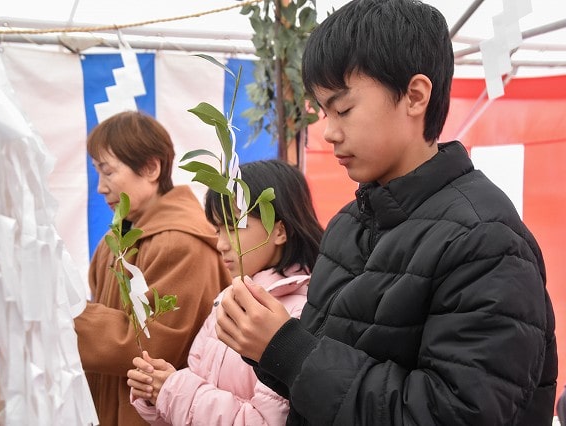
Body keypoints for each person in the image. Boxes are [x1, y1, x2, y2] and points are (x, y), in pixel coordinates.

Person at [215, 1, 558, 425]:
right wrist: (267, 346)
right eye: (323, 111)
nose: (328, 131)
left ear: (415, 96)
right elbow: (322, 383)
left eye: (342, 109)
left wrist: (288, 349)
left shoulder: (485, 240)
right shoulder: (347, 225)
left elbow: (456, 414)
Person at [126, 159, 324, 425]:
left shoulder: (298, 314)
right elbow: (192, 395)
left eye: (232, 227)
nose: (220, 243)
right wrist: (157, 393)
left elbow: (266, 421)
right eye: (216, 229)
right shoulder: (228, 299)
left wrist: (173, 390)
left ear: (279, 230)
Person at [74, 110, 232, 426]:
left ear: (151, 168)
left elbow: (151, 343)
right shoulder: (113, 242)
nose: (101, 188)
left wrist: (66, 315)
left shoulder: (181, 243)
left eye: (108, 172)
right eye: (97, 173)